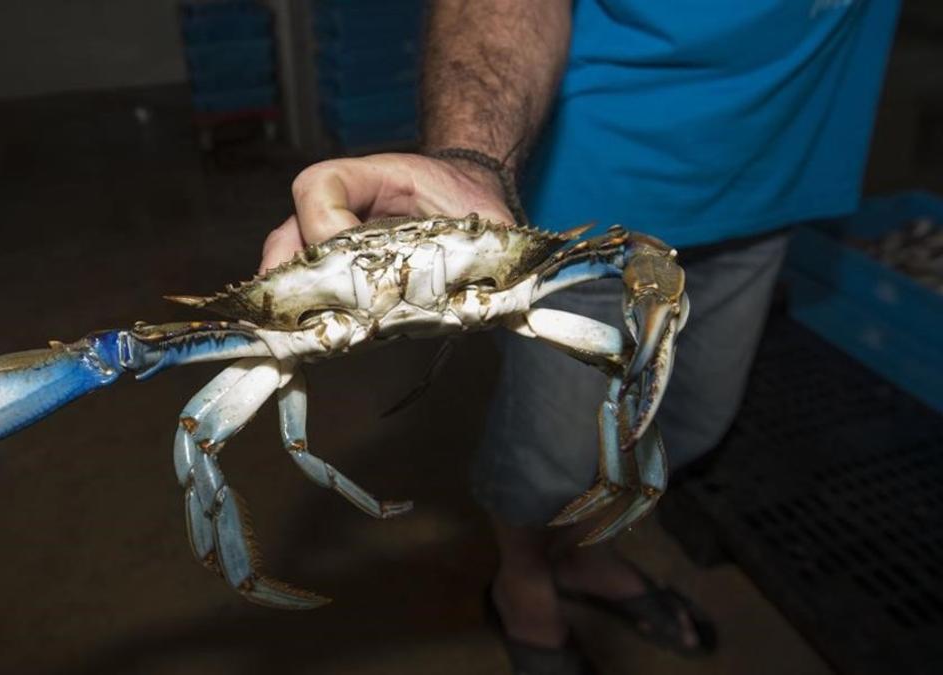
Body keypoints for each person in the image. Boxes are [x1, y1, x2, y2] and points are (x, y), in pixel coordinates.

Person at [260, 1, 899, 672]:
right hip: (598, 189)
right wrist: (471, 159)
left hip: (779, 173)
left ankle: (586, 557)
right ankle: (524, 581)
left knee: (688, 421)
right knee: (550, 458)